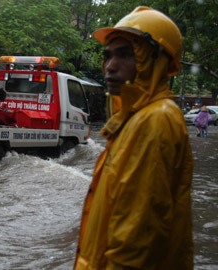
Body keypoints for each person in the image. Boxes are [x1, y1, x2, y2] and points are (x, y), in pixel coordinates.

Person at [75, 6, 193, 270]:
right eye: (108, 56)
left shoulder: (155, 121)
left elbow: (134, 246)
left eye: (126, 55)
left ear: (156, 60)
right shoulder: (135, 118)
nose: (110, 67)